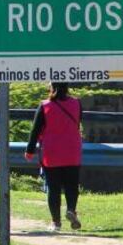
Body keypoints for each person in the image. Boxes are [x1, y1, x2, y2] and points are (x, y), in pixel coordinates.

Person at [25, 82, 84, 231]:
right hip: (72, 149)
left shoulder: (45, 106)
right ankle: (71, 209)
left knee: (53, 187)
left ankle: (56, 222)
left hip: (52, 152)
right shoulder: (77, 103)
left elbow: (35, 130)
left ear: (52, 87)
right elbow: (78, 122)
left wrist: (29, 150)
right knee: (72, 184)